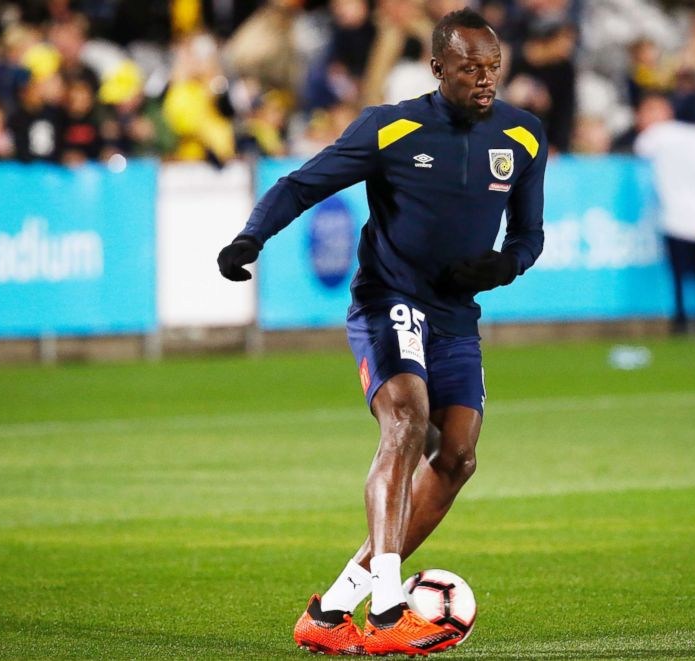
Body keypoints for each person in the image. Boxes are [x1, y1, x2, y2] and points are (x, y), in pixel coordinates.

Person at [217, 8, 546, 656]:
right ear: (436, 67)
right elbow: (300, 184)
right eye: (469, 67)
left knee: (455, 457)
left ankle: (335, 605)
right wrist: (249, 237)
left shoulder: (525, 136)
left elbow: (530, 235)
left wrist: (505, 264)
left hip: (455, 314)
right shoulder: (391, 127)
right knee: (405, 420)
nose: (484, 79)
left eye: (493, 67)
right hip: (388, 298)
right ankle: (390, 609)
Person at [634, 95, 695, 335]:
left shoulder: (663, 134)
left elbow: (640, 148)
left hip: (673, 213)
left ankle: (681, 321)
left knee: (677, 271)